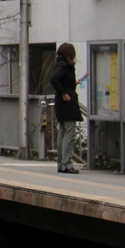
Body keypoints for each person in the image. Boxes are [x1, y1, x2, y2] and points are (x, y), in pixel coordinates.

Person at [50, 43, 82, 173]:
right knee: (69, 134)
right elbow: (54, 79)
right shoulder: (65, 66)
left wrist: (71, 85)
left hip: (61, 103)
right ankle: (66, 164)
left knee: (62, 133)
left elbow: (59, 80)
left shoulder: (59, 64)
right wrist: (64, 93)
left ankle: (61, 164)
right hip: (67, 103)